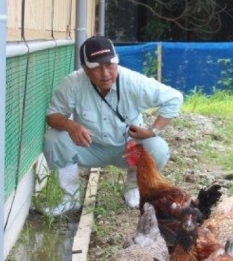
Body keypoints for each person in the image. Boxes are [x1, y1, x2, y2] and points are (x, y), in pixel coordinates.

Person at [40, 36, 183, 214]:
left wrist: (152, 131)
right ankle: (71, 198)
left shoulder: (133, 81)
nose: (105, 73)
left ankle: (134, 188)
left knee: (158, 147)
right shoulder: (72, 83)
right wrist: (71, 125)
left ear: (117, 61)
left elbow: (174, 98)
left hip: (128, 150)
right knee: (54, 137)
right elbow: (52, 116)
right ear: (85, 69)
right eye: (97, 68)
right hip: (89, 146)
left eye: (110, 65)